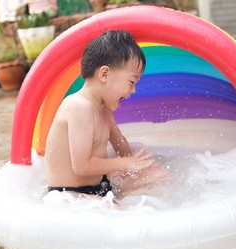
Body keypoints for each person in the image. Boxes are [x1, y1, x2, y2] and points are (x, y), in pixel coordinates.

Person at [45, 30, 167, 199]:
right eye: (131, 82)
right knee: (121, 216)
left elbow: (120, 144)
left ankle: (120, 195)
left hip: (100, 185)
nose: (133, 90)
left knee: (159, 175)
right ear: (104, 74)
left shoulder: (103, 109)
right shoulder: (79, 106)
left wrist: (136, 164)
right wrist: (125, 163)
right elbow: (81, 166)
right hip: (71, 195)